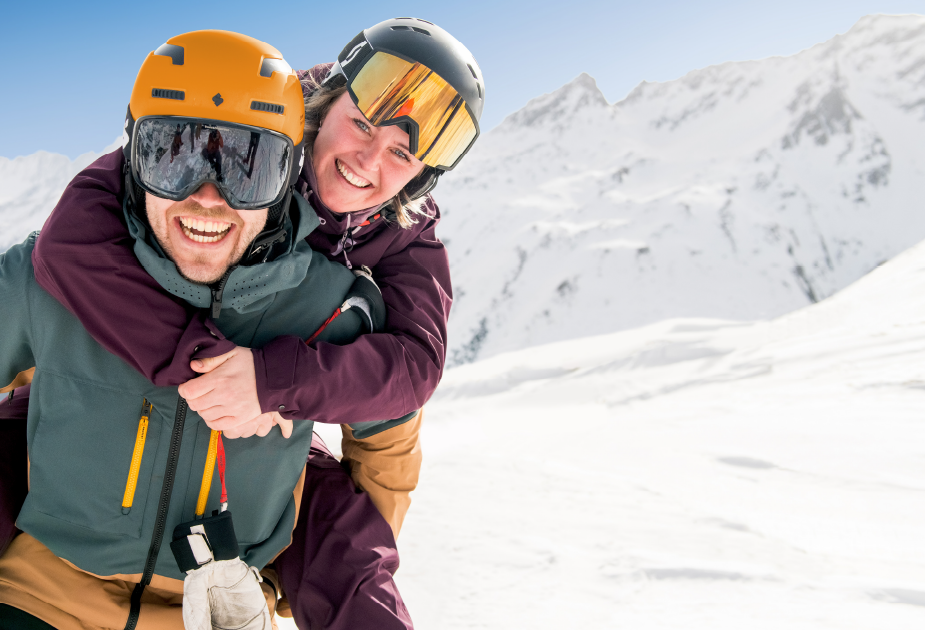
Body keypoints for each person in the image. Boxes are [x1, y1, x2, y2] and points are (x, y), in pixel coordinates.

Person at [0, 30, 413, 630]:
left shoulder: (331, 308)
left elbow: (386, 438)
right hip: (42, 596)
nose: (208, 199)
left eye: (250, 169)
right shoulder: (53, 280)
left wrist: (299, 568)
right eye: (175, 157)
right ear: (134, 160)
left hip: (219, 612)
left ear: (286, 178)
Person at [24, 17, 485, 537]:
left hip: (274, 384)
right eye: (361, 125)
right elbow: (71, 237)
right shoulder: (256, 123)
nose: (368, 160)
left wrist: (273, 382)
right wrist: (206, 364)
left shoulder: (403, 230)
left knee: (354, 513)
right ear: (326, 102)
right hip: (143, 350)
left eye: (401, 154)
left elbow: (417, 364)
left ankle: (340, 564)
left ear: (420, 177)